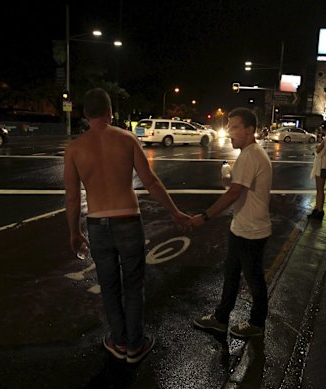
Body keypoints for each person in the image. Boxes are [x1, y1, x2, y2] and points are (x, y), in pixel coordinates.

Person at [64, 88, 190, 362]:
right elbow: (151, 182)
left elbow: (73, 197)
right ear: (111, 112)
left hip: (98, 224)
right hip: (129, 221)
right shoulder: (127, 139)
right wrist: (175, 212)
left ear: (84, 115)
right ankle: (135, 345)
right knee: (133, 286)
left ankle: (117, 340)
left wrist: (74, 232)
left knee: (109, 287)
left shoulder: (74, 149)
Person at [191, 107, 272, 339]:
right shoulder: (250, 154)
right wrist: (229, 178)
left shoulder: (250, 155)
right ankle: (220, 319)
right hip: (242, 228)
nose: (230, 131)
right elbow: (239, 186)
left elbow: (234, 193)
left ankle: (256, 324)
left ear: (250, 130)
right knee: (231, 275)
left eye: (234, 126)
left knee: (254, 280)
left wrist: (204, 216)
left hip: (251, 231)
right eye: (229, 126)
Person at [308, 126, 326, 220]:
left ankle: (319, 210)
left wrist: (317, 147)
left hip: (321, 164)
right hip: (325, 163)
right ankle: (317, 208)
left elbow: (319, 150)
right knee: (320, 189)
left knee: (319, 189)